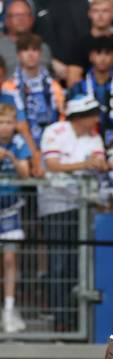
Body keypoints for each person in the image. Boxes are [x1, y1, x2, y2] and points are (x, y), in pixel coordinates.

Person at [39, 95, 107, 332]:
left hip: (84, 206)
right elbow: (52, 165)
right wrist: (85, 164)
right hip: (56, 204)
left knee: (78, 263)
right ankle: (60, 318)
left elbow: (101, 163)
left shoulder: (95, 136)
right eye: (93, 113)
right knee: (59, 262)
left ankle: (74, 318)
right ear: (81, 116)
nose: (97, 118)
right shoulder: (55, 131)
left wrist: (92, 164)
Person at [68, 36, 113, 147]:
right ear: (91, 57)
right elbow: (71, 120)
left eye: (107, 54)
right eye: (98, 53)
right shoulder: (79, 87)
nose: (102, 58)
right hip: (84, 142)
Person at [0, 102, 30, 333]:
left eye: (9, 122)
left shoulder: (19, 144)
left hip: (10, 209)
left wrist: (9, 156)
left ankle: (9, 309)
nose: (5, 127)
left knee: (10, 259)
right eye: (1, 122)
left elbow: (26, 174)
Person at [3, 33, 64, 148]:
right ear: (19, 55)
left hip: (52, 141)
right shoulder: (9, 86)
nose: (30, 54)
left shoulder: (53, 85)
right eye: (25, 50)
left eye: (34, 50)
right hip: (19, 143)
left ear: (40, 53)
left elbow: (61, 115)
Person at [66, 0, 113, 90]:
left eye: (105, 11)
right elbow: (72, 81)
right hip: (87, 99)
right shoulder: (79, 45)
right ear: (89, 14)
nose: (100, 16)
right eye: (96, 11)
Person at [0, 0, 51, 77]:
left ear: (32, 19)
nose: (21, 19)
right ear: (7, 20)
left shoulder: (43, 48)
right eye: (16, 15)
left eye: (25, 15)